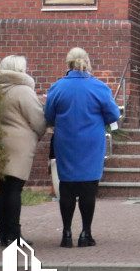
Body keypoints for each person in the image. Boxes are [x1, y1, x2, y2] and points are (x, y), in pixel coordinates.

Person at [45, 47, 121, 248]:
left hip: (66, 142)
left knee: (67, 187)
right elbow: (114, 115)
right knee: (88, 188)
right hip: (91, 144)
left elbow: (49, 116)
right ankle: (85, 233)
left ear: (68, 63)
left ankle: (66, 233)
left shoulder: (57, 87)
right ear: (87, 63)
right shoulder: (98, 87)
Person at [0, 55, 48, 246]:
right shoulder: (23, 91)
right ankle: (15, 234)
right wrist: (40, 133)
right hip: (20, 145)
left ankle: (2, 231)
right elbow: (37, 119)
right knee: (15, 188)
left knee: (1, 189)